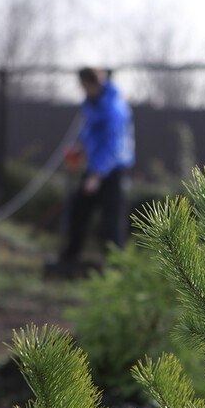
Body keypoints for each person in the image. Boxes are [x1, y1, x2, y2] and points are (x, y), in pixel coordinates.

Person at [47, 67, 135, 277]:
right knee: (78, 212)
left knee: (110, 220)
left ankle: (116, 268)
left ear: (94, 84)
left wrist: (97, 175)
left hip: (111, 171)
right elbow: (91, 134)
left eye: (86, 86)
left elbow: (113, 145)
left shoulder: (114, 108)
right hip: (94, 167)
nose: (84, 91)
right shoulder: (91, 104)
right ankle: (69, 258)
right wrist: (81, 149)